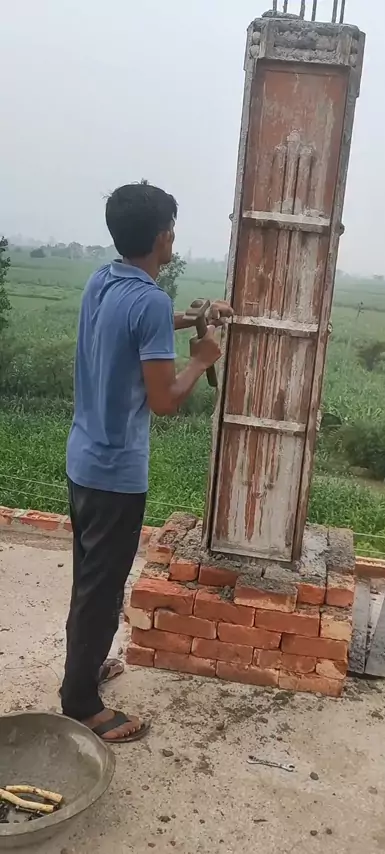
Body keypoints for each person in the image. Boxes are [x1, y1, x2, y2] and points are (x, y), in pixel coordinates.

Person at [61, 181, 232, 743]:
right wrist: (202, 359)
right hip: (116, 474)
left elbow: (137, 324)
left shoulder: (104, 280)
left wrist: (195, 317)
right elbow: (164, 400)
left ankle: (83, 671)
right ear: (164, 238)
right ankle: (81, 704)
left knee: (91, 579)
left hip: (84, 459)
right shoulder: (150, 300)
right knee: (102, 588)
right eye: (172, 228)